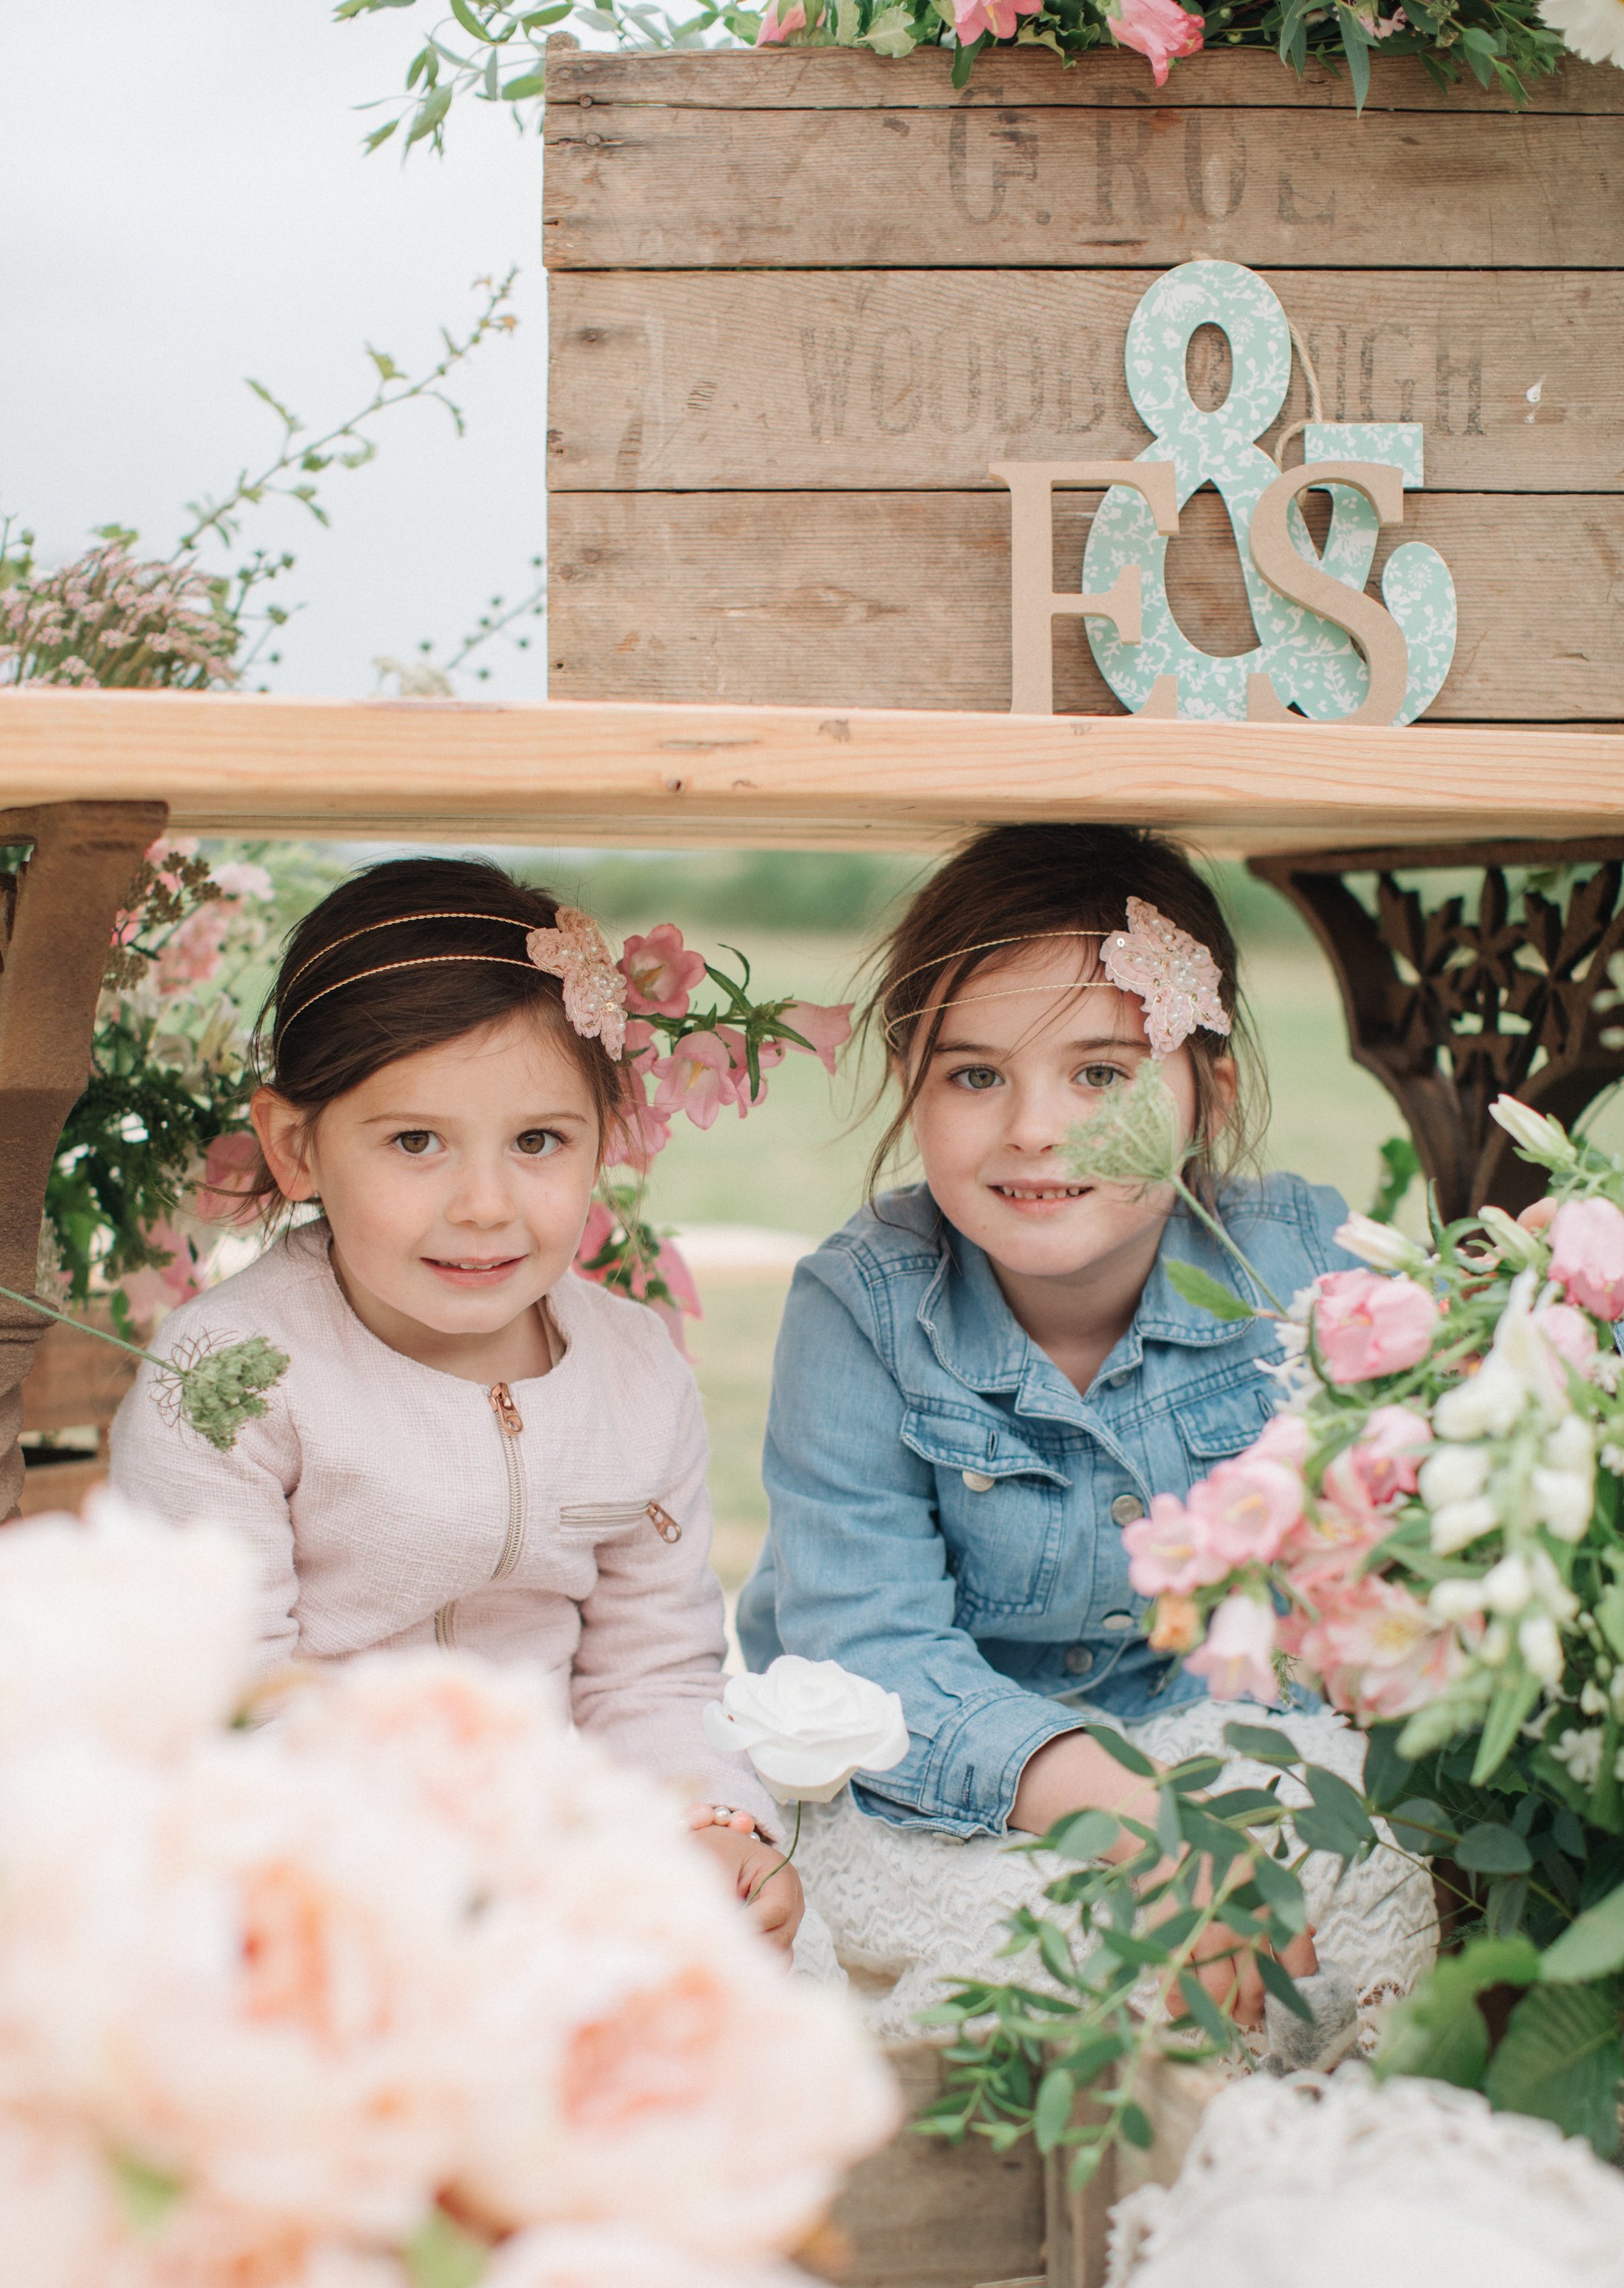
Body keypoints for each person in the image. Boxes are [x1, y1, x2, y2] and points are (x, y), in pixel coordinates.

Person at [738, 823, 1430, 2027]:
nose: (1033, 1128)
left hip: (1235, 1744)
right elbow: (876, 1659)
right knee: (1030, 1958)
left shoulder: (1302, 1265)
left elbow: (1409, 1529)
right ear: (913, 1088)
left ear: (1206, 1095)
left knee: (1369, 1890)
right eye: (974, 1074)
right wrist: (1148, 1829)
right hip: (955, 1777)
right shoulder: (863, 1308)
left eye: (1101, 1075)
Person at [111, 854, 804, 1953]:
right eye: (416, 1142)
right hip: (308, 1867)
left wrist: (703, 1819)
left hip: (565, 1858)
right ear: (297, 1146)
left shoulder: (633, 1375)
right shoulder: (228, 1380)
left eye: (538, 1142)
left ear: (601, 1139)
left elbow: (650, 1673)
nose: (485, 1206)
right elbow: (230, 1699)